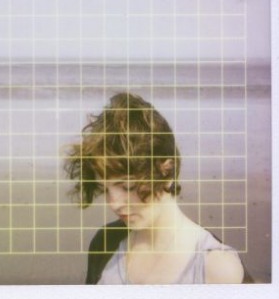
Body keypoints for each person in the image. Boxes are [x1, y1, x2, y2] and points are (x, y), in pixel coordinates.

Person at [64, 93, 246, 285]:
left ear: (166, 171)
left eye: (128, 186)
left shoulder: (217, 268)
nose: (114, 204)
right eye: (105, 189)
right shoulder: (105, 242)